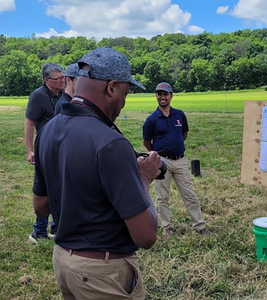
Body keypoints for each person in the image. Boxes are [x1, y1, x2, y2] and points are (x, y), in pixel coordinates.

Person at [32, 47, 160, 299]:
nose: (124, 102)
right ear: (112, 87)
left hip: (64, 263)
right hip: (103, 272)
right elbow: (146, 236)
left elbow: (41, 207)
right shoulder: (111, 143)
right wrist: (143, 179)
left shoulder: (47, 130)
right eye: (126, 92)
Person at [142, 82, 211, 236]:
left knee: (189, 194)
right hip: (161, 163)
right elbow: (147, 142)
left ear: (171, 96)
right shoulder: (151, 119)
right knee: (162, 197)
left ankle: (200, 226)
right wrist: (158, 156)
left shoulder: (179, 115)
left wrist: (175, 147)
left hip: (180, 161)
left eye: (165, 94)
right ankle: (168, 229)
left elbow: (184, 134)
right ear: (156, 96)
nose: (162, 97)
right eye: (159, 94)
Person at [25, 62, 64, 243]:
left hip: (62, 150)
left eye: (63, 78)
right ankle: (39, 232)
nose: (62, 81)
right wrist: (30, 150)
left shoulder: (64, 95)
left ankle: (57, 229)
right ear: (47, 80)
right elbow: (29, 123)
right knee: (45, 189)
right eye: (58, 79)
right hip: (45, 150)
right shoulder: (38, 96)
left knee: (61, 189)